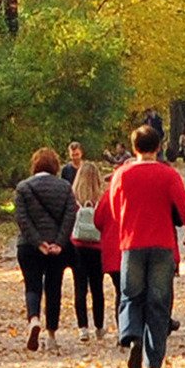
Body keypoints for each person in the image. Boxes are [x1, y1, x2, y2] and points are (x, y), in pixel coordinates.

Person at [101, 121, 185, 368]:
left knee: (130, 295)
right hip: (162, 245)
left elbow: (113, 207)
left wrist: (125, 225)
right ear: (158, 147)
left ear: (134, 148)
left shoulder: (122, 174)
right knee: (159, 302)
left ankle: (132, 336)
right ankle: (153, 361)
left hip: (132, 244)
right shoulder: (168, 174)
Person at [13, 146, 78, 348]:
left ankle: (34, 319)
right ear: (55, 166)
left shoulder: (23, 188)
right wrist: (58, 242)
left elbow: (22, 219)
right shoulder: (65, 187)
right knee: (53, 287)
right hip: (56, 249)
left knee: (32, 286)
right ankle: (51, 335)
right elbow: (70, 216)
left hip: (29, 246)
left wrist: (37, 241)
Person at [66, 145, 110, 340]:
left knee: (79, 287)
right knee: (97, 287)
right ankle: (99, 326)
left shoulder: (73, 198)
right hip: (97, 246)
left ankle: (82, 327)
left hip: (77, 245)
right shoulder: (101, 198)